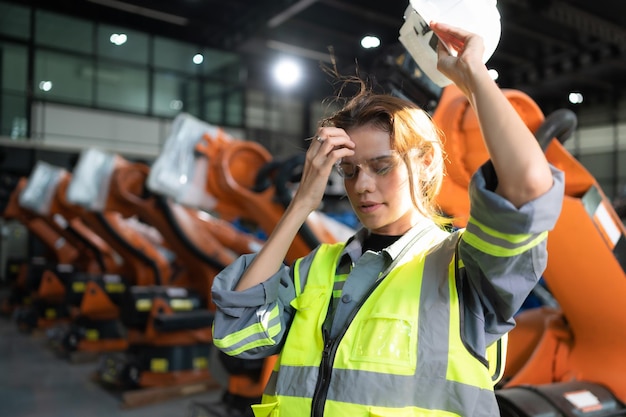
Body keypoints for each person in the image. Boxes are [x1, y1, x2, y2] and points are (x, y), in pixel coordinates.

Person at [210, 22, 564, 417]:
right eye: (349, 171)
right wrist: (299, 207)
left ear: (426, 162)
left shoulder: (464, 269)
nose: (362, 186)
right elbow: (238, 333)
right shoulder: (318, 271)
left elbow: (530, 186)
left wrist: (473, 75)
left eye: (381, 167)